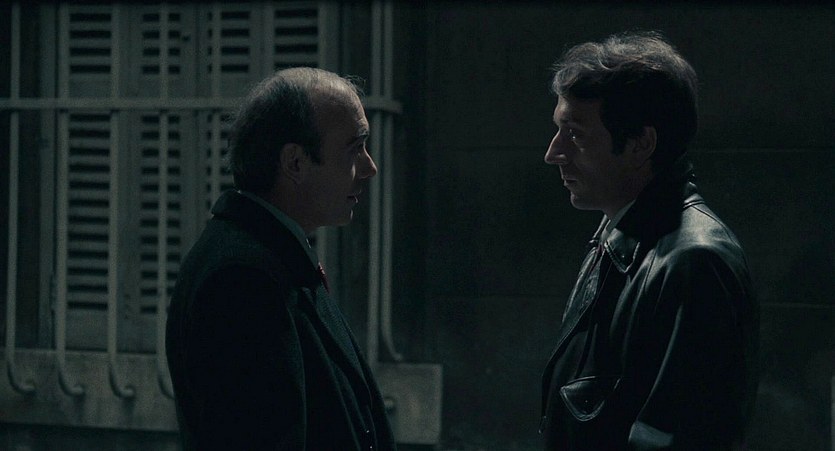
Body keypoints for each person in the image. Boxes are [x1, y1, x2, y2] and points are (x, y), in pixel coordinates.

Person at [539, 32, 758, 450]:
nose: (553, 153)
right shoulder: (617, 236)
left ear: (641, 144)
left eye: (576, 135)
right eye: (558, 130)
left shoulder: (696, 262)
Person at [166, 67, 396, 450]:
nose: (370, 168)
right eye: (354, 148)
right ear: (295, 163)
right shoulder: (241, 280)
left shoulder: (271, 256)